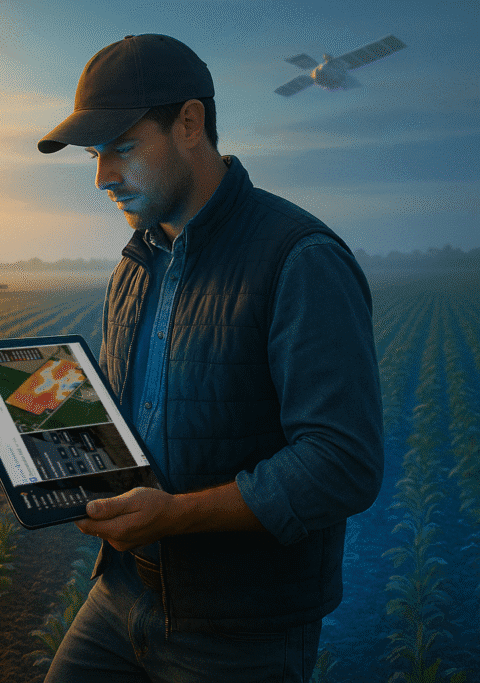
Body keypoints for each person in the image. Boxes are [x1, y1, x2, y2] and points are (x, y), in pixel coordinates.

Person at [36, 35, 383, 682]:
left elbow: (343, 462)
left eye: (123, 147)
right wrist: (64, 446)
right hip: (121, 594)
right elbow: (131, 427)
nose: (102, 177)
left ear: (190, 123)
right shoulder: (134, 265)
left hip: (240, 630)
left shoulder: (299, 259)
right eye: (94, 153)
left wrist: (178, 514)